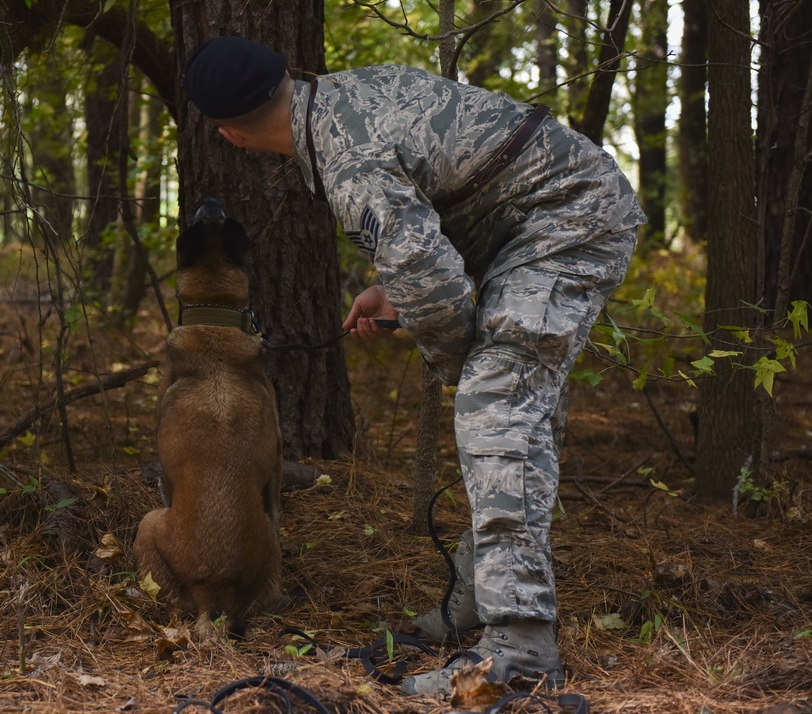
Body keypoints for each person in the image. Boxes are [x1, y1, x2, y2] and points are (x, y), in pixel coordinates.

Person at [184, 36, 645, 696]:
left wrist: (469, 374)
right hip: (536, 216)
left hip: (569, 216)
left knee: (497, 403)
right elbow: (440, 207)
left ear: (231, 134)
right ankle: (479, 604)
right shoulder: (339, 97)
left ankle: (519, 654)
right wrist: (398, 292)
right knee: (504, 402)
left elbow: (431, 279)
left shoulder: (346, 164)